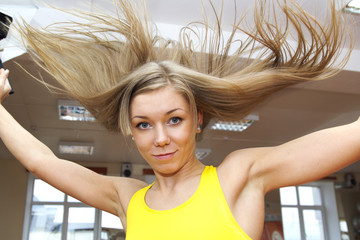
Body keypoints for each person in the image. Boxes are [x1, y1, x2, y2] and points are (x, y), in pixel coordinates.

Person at [0, 0, 357, 239]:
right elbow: (40, 160)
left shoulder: (239, 175)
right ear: (130, 129)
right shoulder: (126, 197)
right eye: (143, 124)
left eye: (174, 119)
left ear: (197, 120)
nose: (160, 138)